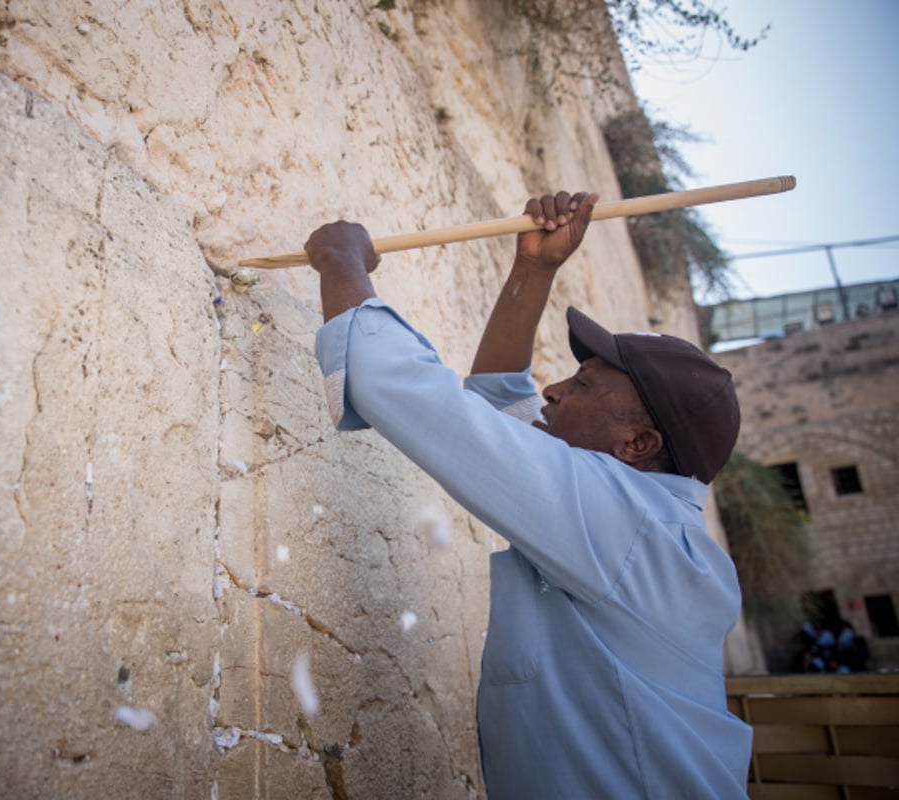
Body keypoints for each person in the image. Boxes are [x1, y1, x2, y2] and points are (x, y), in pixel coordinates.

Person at [305, 191, 753, 799]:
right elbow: (498, 401)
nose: (553, 389)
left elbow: (408, 393)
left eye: (585, 385)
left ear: (638, 443)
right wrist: (534, 270)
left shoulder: (624, 524)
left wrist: (340, 260)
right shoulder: (642, 518)